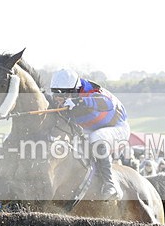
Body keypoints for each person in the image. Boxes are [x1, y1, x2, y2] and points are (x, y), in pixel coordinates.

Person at [50, 69, 130, 200]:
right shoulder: (65, 96)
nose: (59, 98)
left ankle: (110, 184)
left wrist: (80, 101)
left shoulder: (91, 90)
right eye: (56, 93)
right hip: (91, 128)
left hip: (117, 127)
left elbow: (108, 104)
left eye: (64, 94)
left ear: (75, 90)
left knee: (96, 137)